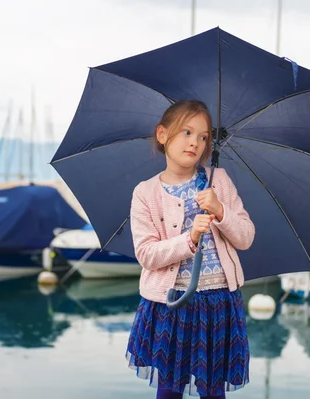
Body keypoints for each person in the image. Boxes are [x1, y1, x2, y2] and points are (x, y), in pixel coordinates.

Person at [126, 100, 255, 398]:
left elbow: (246, 236)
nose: (195, 142)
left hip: (218, 302)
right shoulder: (145, 193)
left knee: (213, 391)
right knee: (169, 390)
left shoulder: (216, 181)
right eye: (186, 132)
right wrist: (189, 240)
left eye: (203, 137)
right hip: (171, 303)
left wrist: (220, 210)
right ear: (162, 134)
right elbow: (146, 253)